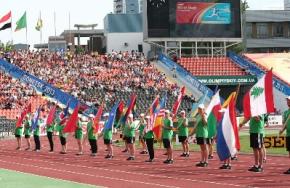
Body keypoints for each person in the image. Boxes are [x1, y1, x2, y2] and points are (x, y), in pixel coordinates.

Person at [279, 96, 290, 174]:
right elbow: (285, 124)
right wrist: (282, 130)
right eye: (287, 100)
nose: (288, 102)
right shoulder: (286, 112)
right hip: (288, 134)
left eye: (289, 100)